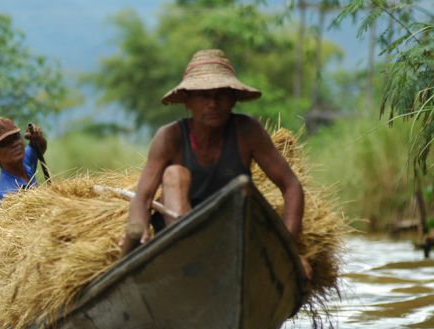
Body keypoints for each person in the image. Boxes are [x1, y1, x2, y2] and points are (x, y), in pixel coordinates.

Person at [123, 49, 311, 280]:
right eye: (203, 96)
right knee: (174, 174)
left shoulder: (247, 131)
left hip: (233, 236)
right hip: (178, 238)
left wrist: (288, 249)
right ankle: (193, 253)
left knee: (243, 191)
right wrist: (140, 230)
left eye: (221, 95)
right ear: (188, 101)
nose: (212, 104)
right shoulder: (170, 137)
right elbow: (142, 198)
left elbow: (291, 186)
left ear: (233, 99)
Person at [0, 116, 47, 204]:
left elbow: (38, 148)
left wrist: (37, 138)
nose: (14, 144)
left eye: (16, 137)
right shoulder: (7, 196)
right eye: (5, 143)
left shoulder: (24, 161)